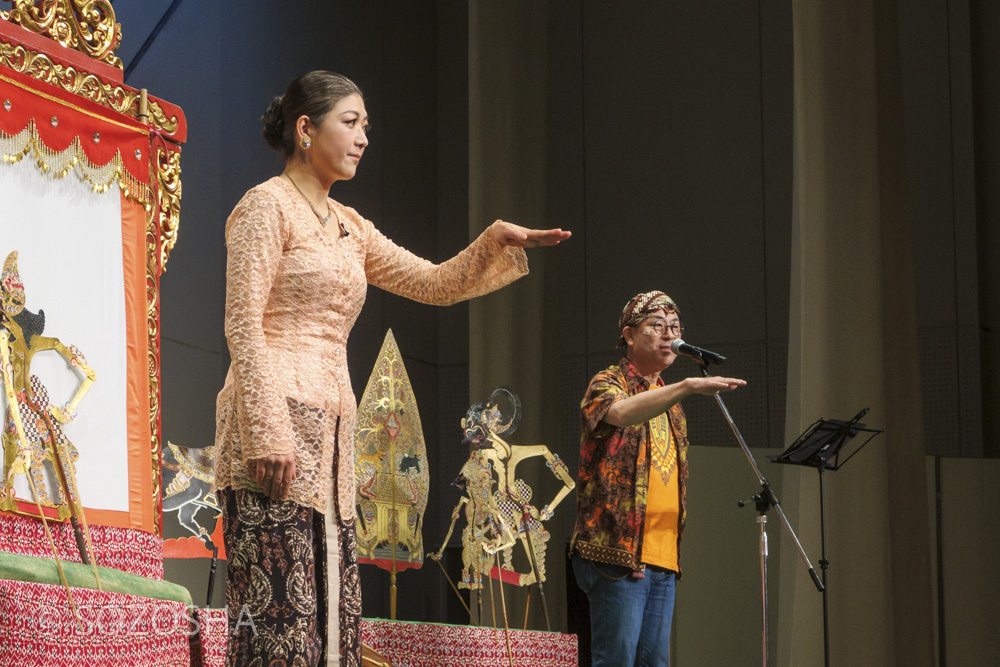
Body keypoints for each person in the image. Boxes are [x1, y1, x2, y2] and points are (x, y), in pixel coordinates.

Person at [212, 70, 570, 667]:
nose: (363, 138)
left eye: (366, 127)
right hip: (269, 432)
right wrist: (268, 431)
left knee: (333, 626)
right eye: (350, 123)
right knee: (280, 626)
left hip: (332, 440)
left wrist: (493, 242)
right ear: (306, 128)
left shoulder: (351, 226)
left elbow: (431, 282)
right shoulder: (265, 206)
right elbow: (243, 323)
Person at [569, 291, 745, 666]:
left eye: (676, 328)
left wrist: (678, 391)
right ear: (630, 335)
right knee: (616, 660)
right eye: (657, 326)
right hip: (616, 552)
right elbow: (620, 413)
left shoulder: (673, 407)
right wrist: (685, 386)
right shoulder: (608, 382)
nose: (670, 335)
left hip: (662, 556)